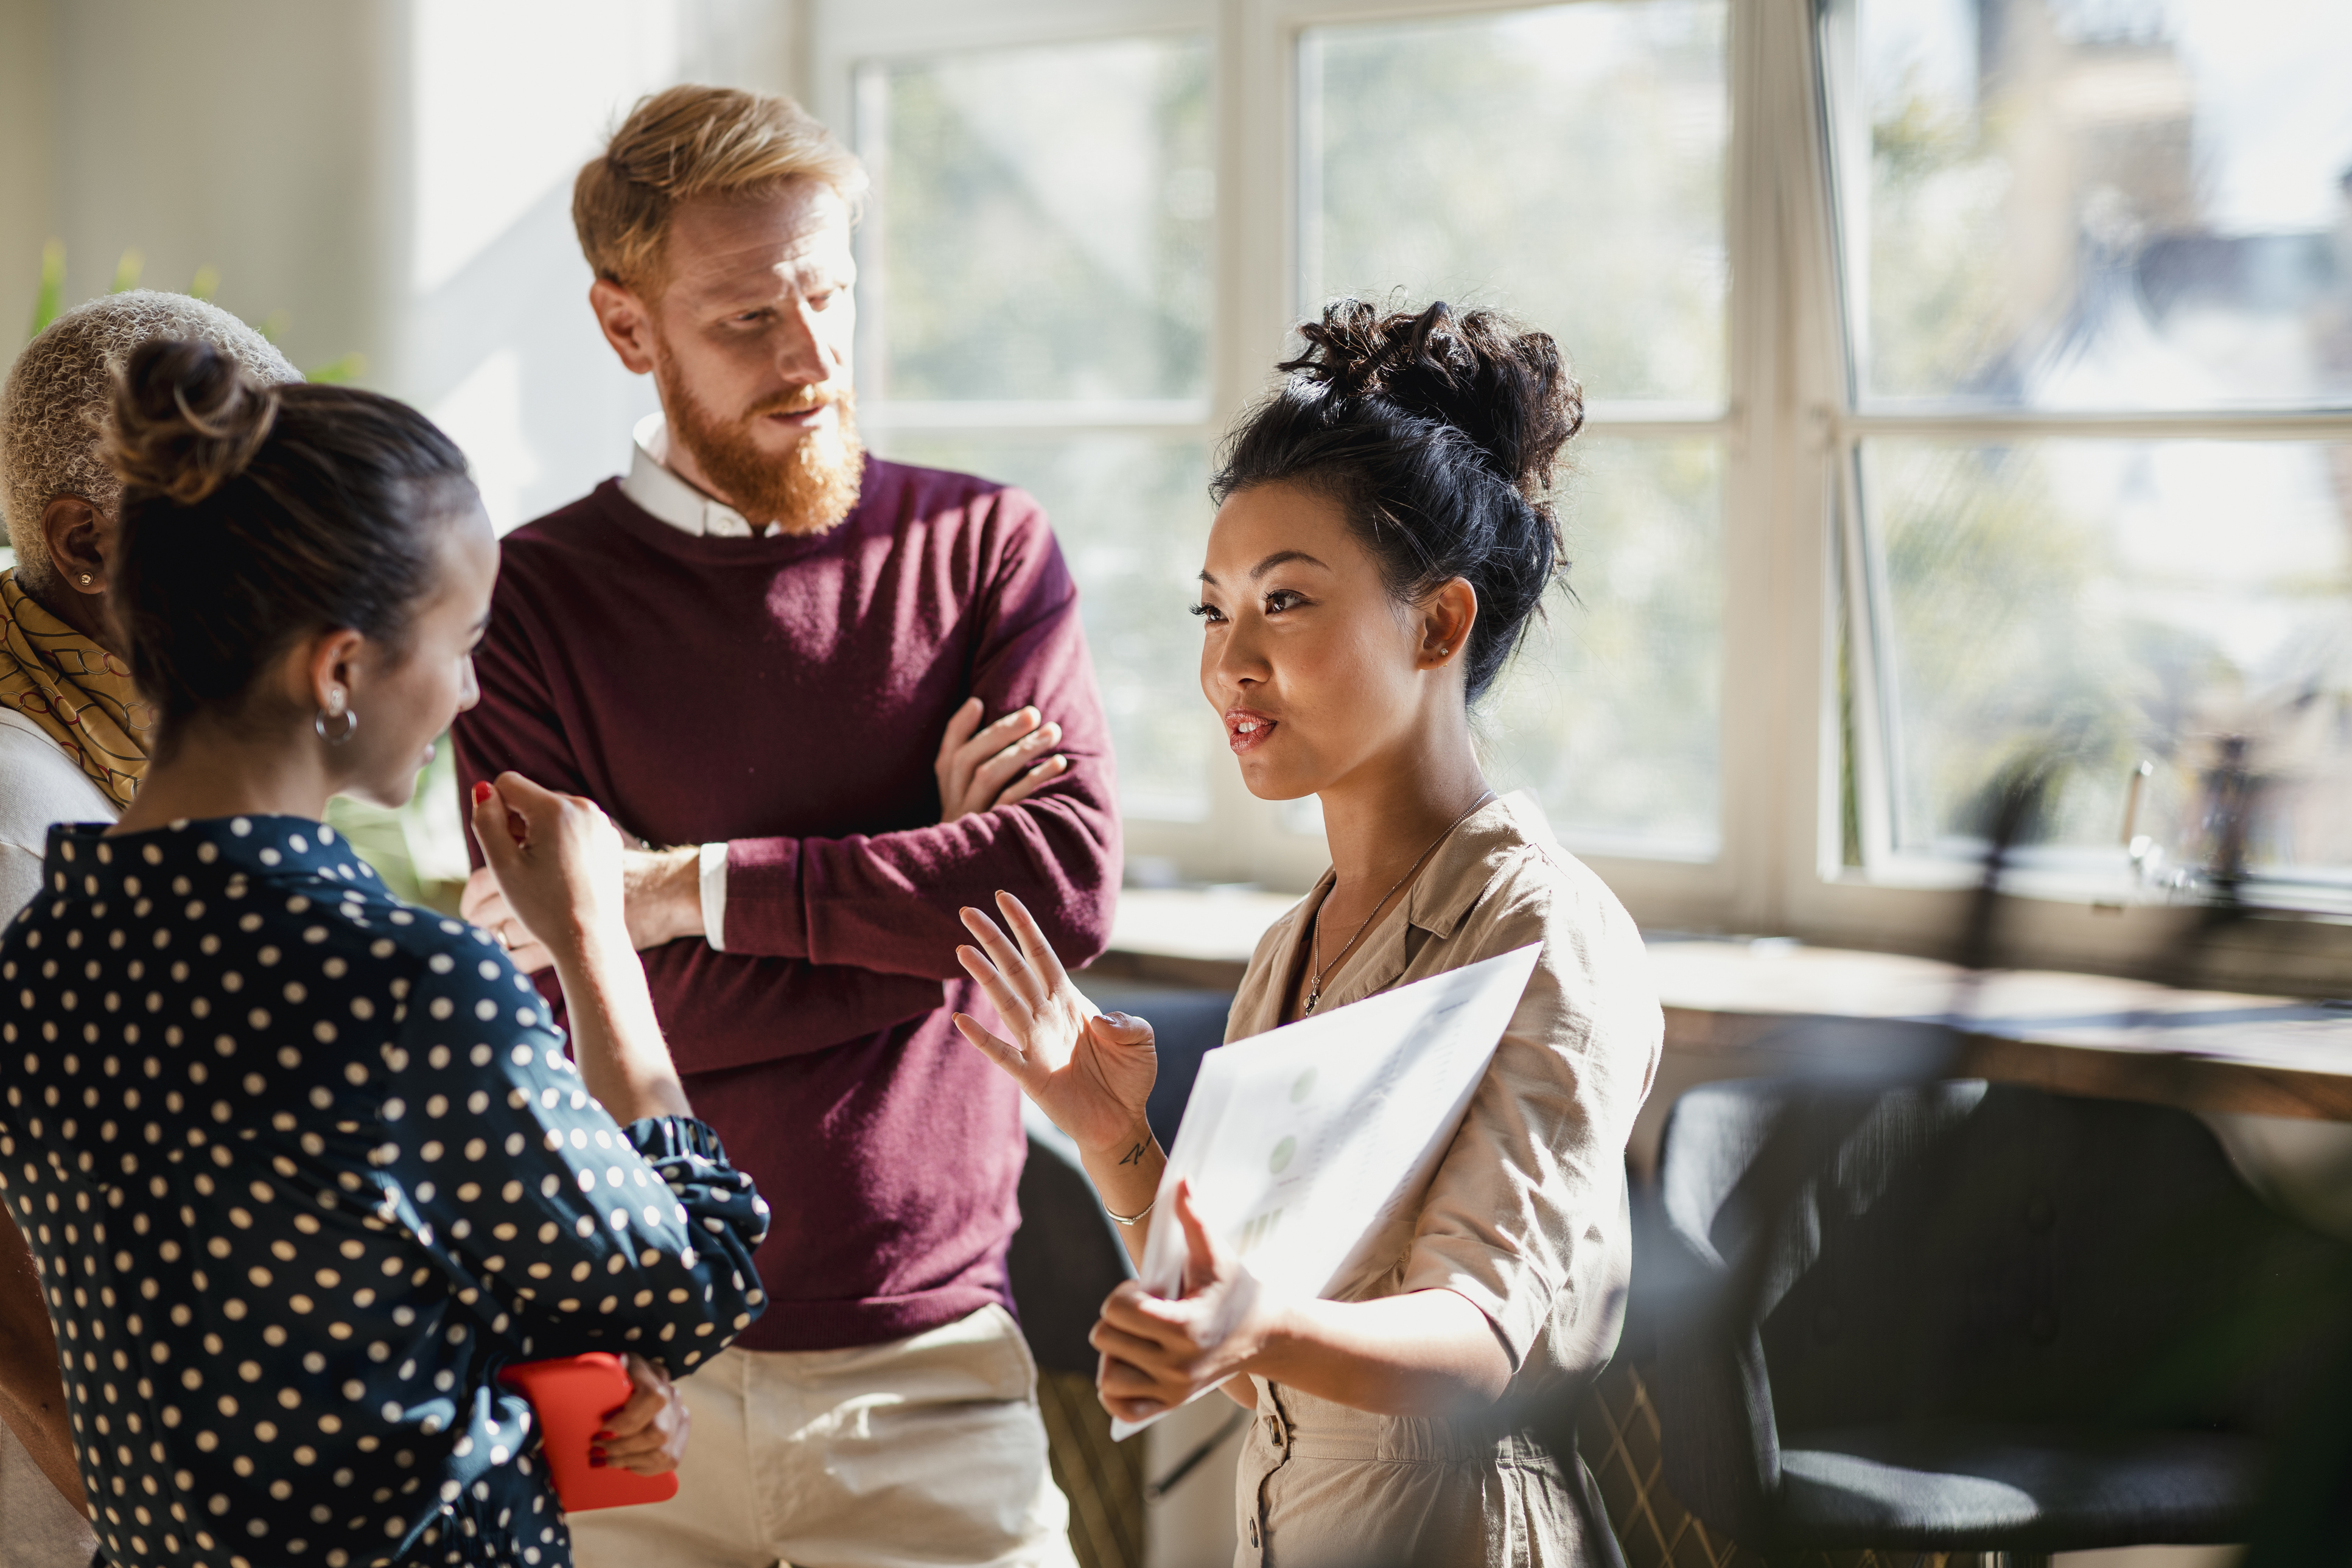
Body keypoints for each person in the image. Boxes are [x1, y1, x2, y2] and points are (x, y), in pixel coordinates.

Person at [450, 85, 1115, 1568]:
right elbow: (568, 1002)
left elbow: (1057, 891)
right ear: (629, 328)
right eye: (749, 318)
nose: (812, 356)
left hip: (934, 1372)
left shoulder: (983, 550)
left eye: (829, 292)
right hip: (628, 1383)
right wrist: (926, 915)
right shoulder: (524, 607)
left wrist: (673, 891)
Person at [0, 338, 771, 1568]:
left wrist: (533, 1384)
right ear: (342, 667)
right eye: (462, 642)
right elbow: (693, 1278)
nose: (471, 692)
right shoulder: (401, 987)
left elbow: (290, 1308)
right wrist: (591, 943)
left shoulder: (43, 959)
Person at [956, 301, 1664, 1566]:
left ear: (1438, 624)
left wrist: (1254, 1327)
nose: (1230, 661)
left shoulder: (1543, 932)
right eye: (1212, 610)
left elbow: (1477, 1341)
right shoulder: (1294, 946)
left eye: (1284, 602)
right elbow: (1245, 1356)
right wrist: (1115, 1136)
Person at [0, 290, 300, 1567]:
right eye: (262, 522)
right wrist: (153, 1503)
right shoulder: (28, 821)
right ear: (88, 546)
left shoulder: (145, 751)